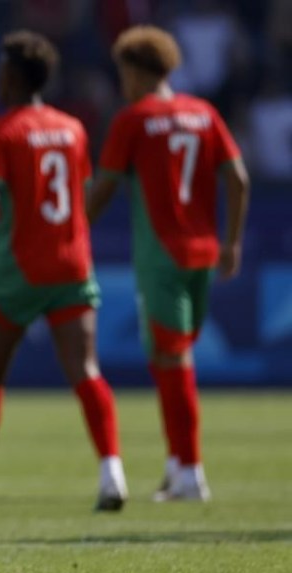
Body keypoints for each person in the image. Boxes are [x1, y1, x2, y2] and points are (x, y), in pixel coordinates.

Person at [0, 31, 128, 512]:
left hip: (20, 269)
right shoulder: (73, 128)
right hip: (72, 264)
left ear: (13, 76)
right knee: (86, 371)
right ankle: (112, 475)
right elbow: (78, 195)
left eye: (0, 68)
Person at [87, 25, 250, 501]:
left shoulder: (132, 120)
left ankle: (192, 474)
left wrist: (75, 226)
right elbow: (238, 178)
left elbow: (104, 190)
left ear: (136, 72)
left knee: (174, 358)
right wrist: (233, 242)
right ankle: (178, 463)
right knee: (166, 355)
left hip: (161, 255)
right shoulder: (203, 113)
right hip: (202, 251)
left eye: (122, 73)